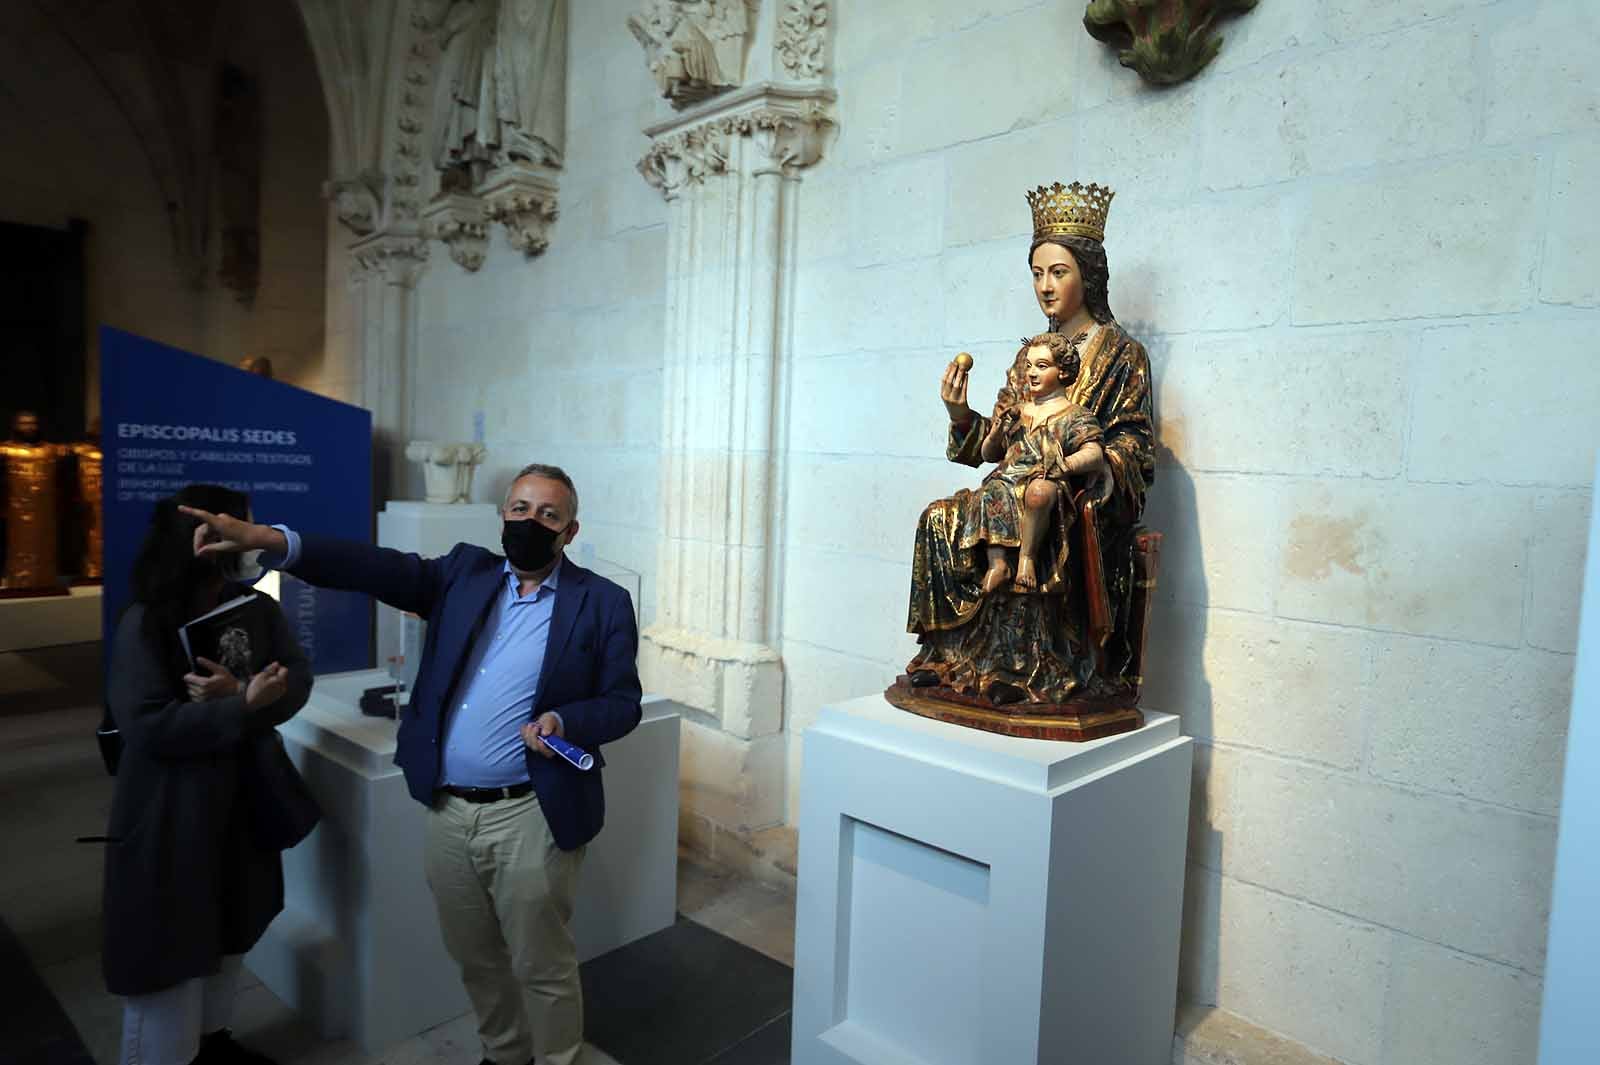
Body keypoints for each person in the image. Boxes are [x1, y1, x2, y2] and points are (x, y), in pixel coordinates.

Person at [182, 462, 642, 1065]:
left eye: (548, 515)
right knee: (474, 956)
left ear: (570, 531)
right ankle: (504, 1053)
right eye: (521, 509)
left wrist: (567, 722)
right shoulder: (463, 574)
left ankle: (557, 1059)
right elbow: (376, 568)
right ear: (503, 515)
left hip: (530, 813)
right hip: (449, 811)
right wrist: (273, 541)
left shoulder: (601, 602)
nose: (531, 522)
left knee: (542, 964)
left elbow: (622, 703)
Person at [103, 484, 312, 1065]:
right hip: (172, 811)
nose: (252, 539)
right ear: (204, 538)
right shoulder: (145, 622)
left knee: (232, 927)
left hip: (242, 803)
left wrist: (245, 693)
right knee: (171, 948)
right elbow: (147, 726)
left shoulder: (257, 608)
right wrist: (240, 707)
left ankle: (213, 1041)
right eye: (243, 527)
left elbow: (296, 679)